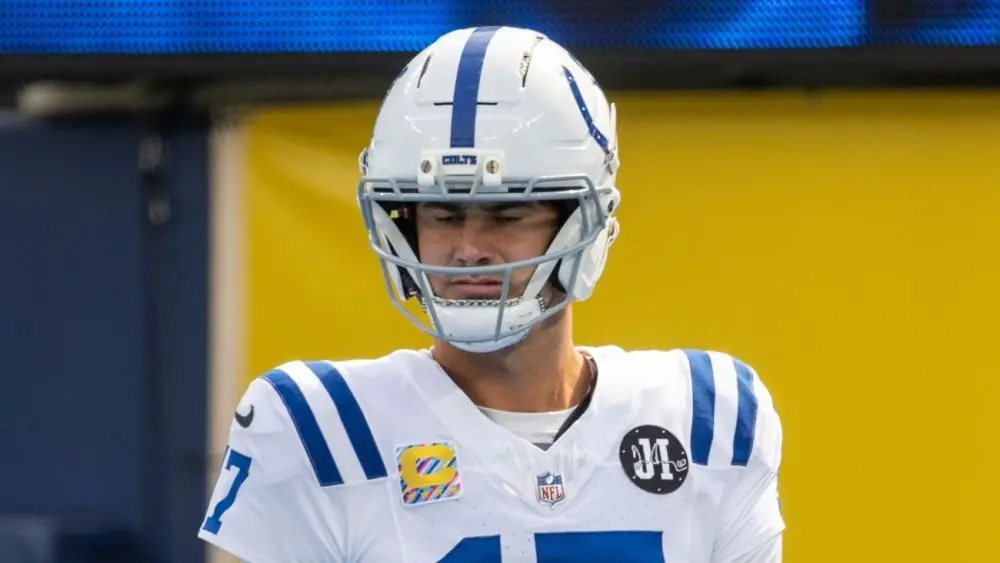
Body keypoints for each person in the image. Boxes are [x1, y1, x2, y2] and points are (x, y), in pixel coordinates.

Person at [198, 25, 785, 563]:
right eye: (445, 215)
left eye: (507, 213)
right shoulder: (318, 429)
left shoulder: (711, 420)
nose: (470, 248)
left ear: (583, 226)